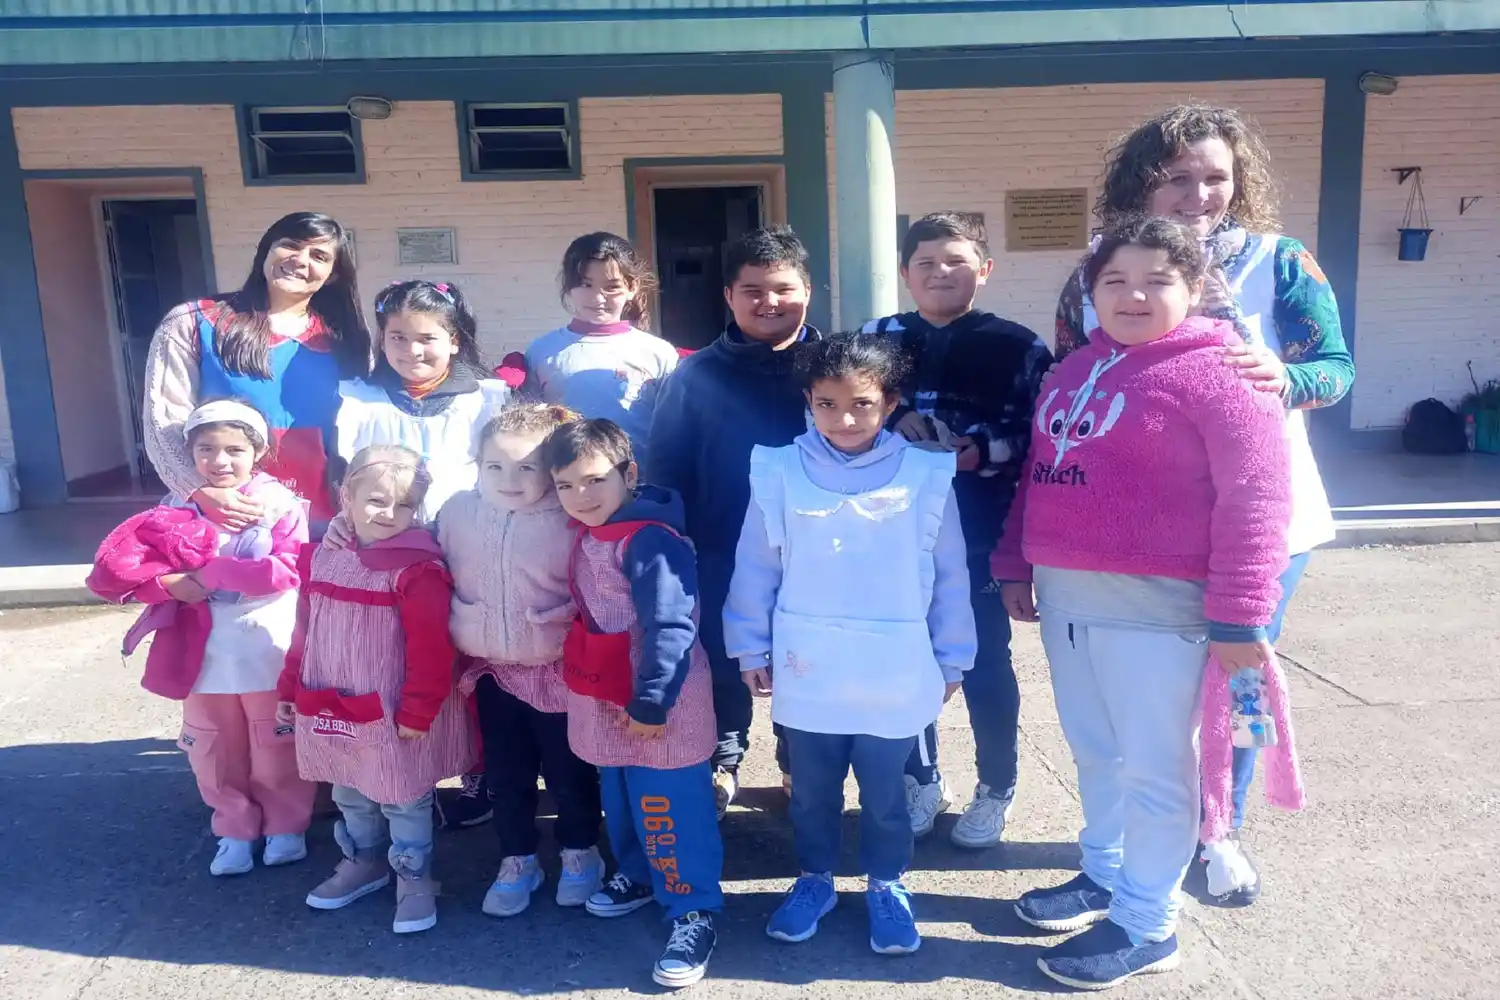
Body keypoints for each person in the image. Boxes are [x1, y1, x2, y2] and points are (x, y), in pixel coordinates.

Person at [1054, 104, 1353, 903]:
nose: (1199, 195)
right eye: (1177, 178)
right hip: (1140, 532)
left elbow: (1336, 366)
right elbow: (1069, 380)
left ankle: (1221, 828)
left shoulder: (1279, 261)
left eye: (1216, 177)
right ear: (1139, 184)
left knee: (1240, 678)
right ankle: (1134, 838)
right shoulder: (1096, 269)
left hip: (1264, 521)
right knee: (1142, 705)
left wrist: (1289, 378)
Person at [995, 216, 1291, 990]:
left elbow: (1258, 501)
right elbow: (1039, 472)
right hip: (1066, 601)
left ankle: (1148, 923)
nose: (1133, 296)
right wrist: (1014, 562)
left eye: (1158, 280)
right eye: (1115, 281)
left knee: (1156, 771)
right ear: (1091, 292)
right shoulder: (1073, 370)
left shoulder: (1225, 373)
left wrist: (1241, 615)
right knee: (1097, 753)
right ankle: (1105, 874)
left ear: (1194, 288)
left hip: (1163, 614)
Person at [723, 333, 976, 955]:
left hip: (894, 665)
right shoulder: (780, 471)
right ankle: (815, 878)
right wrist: (750, 646)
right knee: (812, 790)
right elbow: (755, 565)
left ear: (889, 402)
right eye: (827, 404)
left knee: (886, 793)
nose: (844, 419)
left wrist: (953, 656)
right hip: (809, 663)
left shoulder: (925, 475)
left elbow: (950, 574)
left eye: (862, 403)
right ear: (809, 402)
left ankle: (887, 882)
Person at [861, 212, 1052, 846]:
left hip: (979, 530)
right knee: (908, 656)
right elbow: (837, 410)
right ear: (904, 273)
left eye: (956, 262)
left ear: (984, 270)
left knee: (985, 660)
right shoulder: (875, 338)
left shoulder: (1018, 346)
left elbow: (1041, 438)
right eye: (925, 263)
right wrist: (894, 421)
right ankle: (921, 778)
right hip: (891, 532)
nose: (940, 273)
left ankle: (996, 785)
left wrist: (979, 451)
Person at [92, 399, 316, 876]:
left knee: (274, 739)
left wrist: (214, 573)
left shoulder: (280, 504)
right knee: (212, 744)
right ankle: (233, 826)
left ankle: (286, 823)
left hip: (265, 645)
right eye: (206, 449)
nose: (220, 461)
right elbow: (140, 569)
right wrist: (169, 584)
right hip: (200, 649)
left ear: (258, 452)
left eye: (234, 450)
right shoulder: (174, 506)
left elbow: (289, 569)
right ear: (189, 454)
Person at [647, 225, 822, 816]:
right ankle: (725, 758)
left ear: (807, 290)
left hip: (817, 550)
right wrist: (678, 541)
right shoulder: (697, 374)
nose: (769, 302)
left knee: (804, 658)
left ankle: (799, 758)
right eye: (752, 290)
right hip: (721, 546)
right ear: (728, 296)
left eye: (783, 288)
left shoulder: (834, 367)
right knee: (724, 659)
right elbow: (666, 465)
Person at [323, 279, 509, 830]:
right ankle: (402, 773)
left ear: (454, 339)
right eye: (397, 338)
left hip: (469, 552)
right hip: (389, 558)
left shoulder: (487, 399)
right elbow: (342, 478)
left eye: (427, 338)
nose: (411, 350)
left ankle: (479, 772)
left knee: (470, 668)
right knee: (395, 665)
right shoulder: (359, 400)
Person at [545, 419, 722, 989]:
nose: (581, 496)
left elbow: (671, 624)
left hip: (657, 701)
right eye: (565, 485)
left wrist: (652, 702)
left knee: (668, 806)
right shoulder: (590, 532)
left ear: (630, 473)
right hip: (607, 693)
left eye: (595, 480)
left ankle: (693, 908)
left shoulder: (650, 539)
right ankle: (640, 873)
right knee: (621, 796)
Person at [276, 445, 472, 935]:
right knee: (348, 783)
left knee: (403, 793)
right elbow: (305, 629)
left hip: (393, 705)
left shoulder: (417, 568)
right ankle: (364, 861)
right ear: (346, 496)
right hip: (329, 693)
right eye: (377, 500)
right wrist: (289, 686)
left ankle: (413, 875)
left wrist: (419, 711)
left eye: (405, 505)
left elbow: (432, 647)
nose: (389, 514)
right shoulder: (326, 555)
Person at [439, 404, 605, 918]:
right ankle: (517, 859)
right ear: (476, 463)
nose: (508, 480)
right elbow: (419, 554)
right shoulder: (456, 513)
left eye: (526, 467)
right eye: (495, 466)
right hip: (492, 670)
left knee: (569, 771)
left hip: (559, 668)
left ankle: (580, 851)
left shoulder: (571, 517)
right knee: (506, 775)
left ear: (550, 470)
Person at [144, 211, 369, 532]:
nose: (300, 260)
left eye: (319, 256)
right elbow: (164, 421)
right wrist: (201, 491)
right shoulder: (194, 322)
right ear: (266, 251)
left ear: (333, 275)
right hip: (223, 518)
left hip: (322, 523)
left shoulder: (347, 340)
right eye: (291, 245)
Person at [523, 232, 678, 469]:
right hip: (566, 484)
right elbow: (530, 428)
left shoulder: (659, 353)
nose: (598, 298)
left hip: (640, 483)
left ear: (632, 287)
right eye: (586, 285)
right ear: (568, 287)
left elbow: (674, 428)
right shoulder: (542, 352)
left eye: (612, 287)